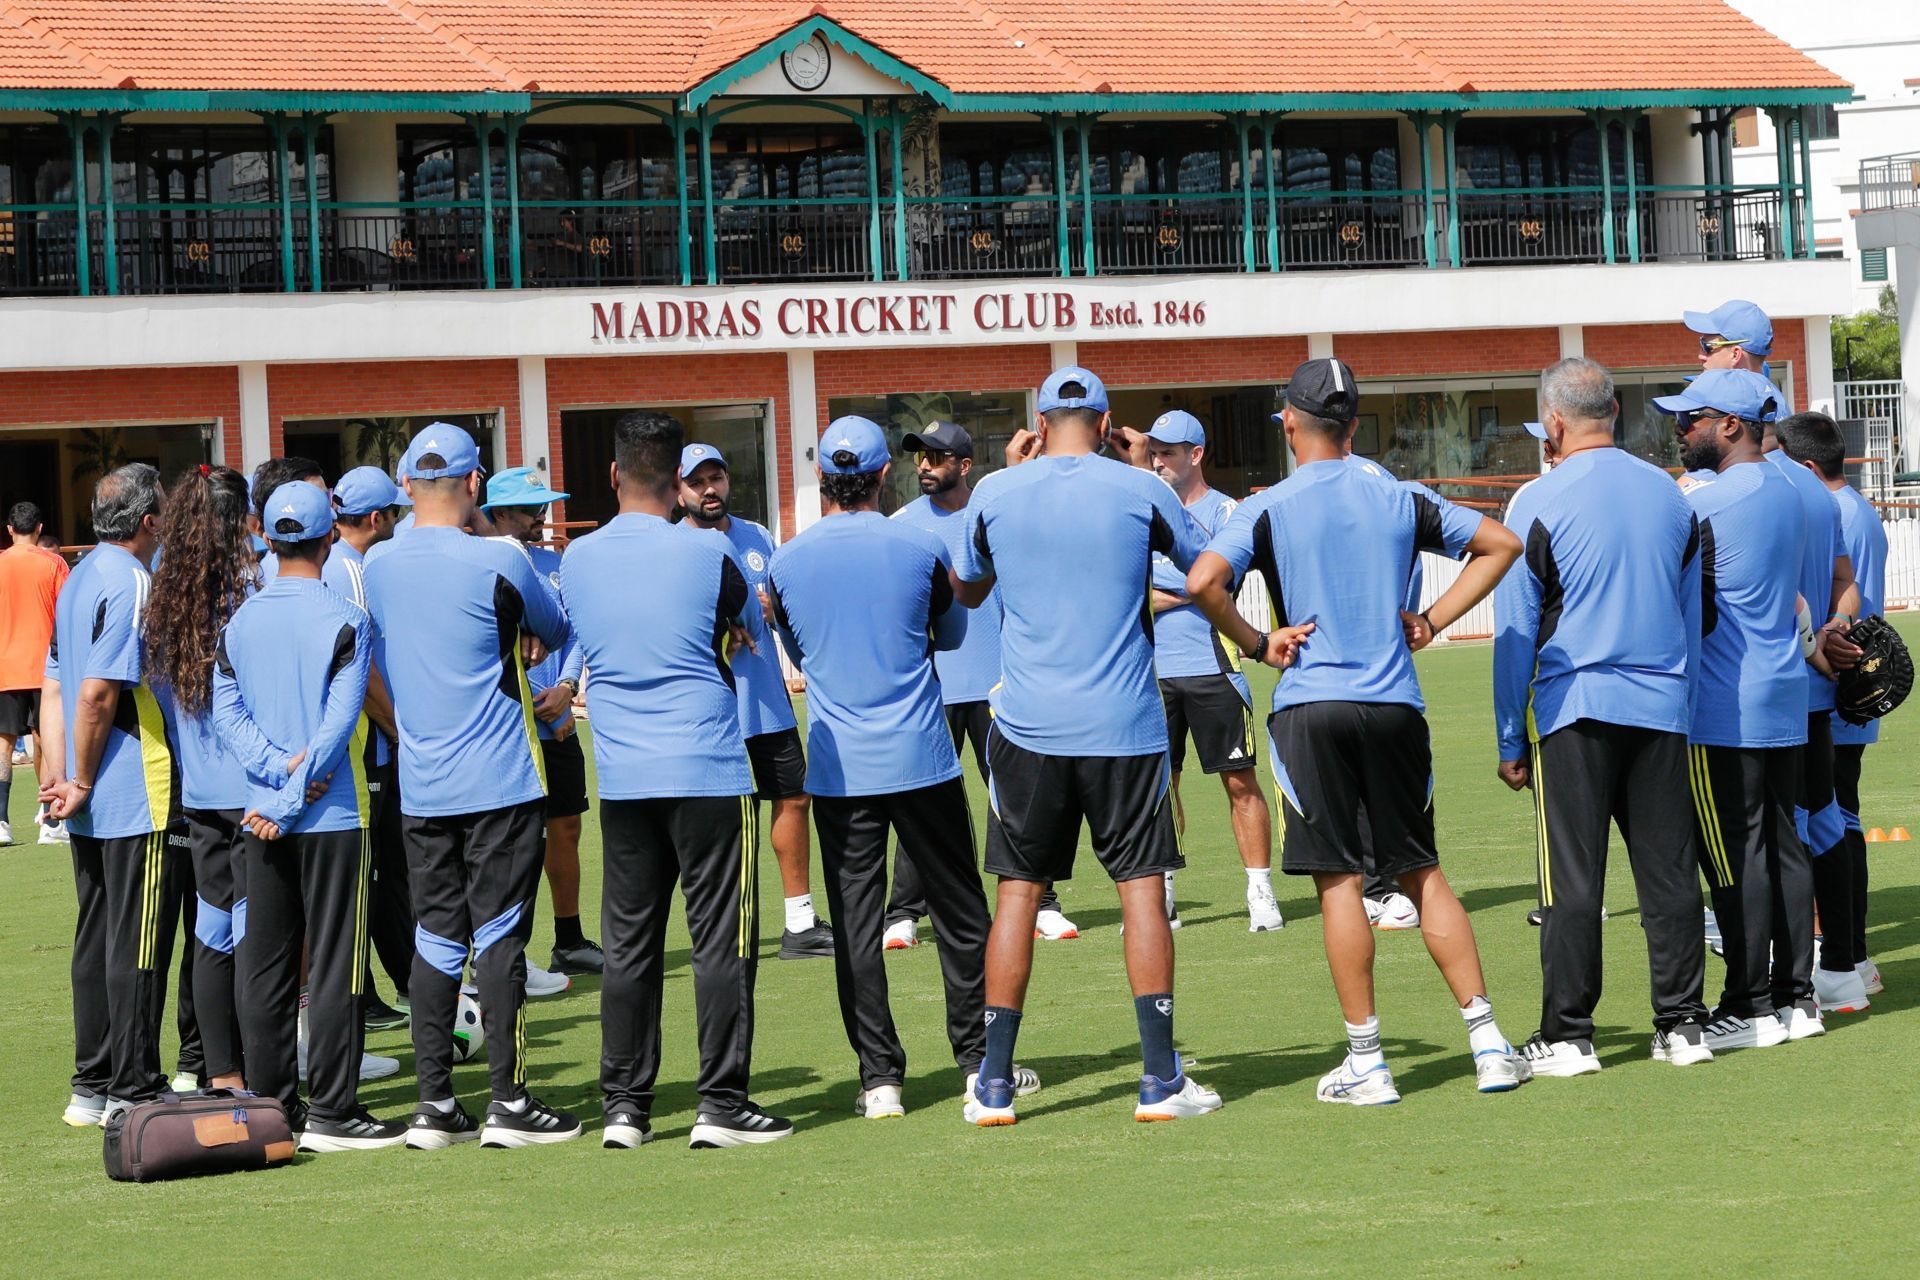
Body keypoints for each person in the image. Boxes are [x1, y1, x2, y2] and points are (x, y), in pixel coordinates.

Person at [1188, 357, 1530, 1105]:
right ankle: (1490, 1044)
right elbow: (1502, 544)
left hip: (1311, 708)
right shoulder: (1400, 494)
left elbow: (1201, 582)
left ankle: (1369, 1063)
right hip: (1394, 705)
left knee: (1339, 880)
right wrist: (1433, 621)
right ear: (1350, 425)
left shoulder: (1267, 505)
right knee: (1422, 872)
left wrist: (1256, 642)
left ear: (1289, 422)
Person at [953, 365, 1225, 1127]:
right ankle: (1158, 1078)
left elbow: (968, 587)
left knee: (1017, 894)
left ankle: (995, 1084)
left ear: (1037, 426)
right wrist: (1140, 476)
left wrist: (1011, 483)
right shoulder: (1141, 489)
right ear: (1107, 426)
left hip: (1028, 729)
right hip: (1125, 728)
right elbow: (1205, 567)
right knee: (1140, 889)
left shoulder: (996, 493)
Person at [768, 415, 1012, 1120]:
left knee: (855, 925)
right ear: (882, 476)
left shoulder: (788, 560)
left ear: (823, 479)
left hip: (841, 768)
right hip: (921, 755)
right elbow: (952, 631)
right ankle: (976, 1063)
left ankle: (880, 1079)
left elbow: (799, 648)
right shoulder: (918, 543)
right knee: (963, 915)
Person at [561, 410, 792, 1149]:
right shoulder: (707, 554)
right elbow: (739, 622)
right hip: (707, 770)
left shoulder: (577, 559)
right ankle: (720, 1103)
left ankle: (625, 1108)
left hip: (626, 777)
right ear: (675, 482)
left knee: (629, 947)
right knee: (720, 940)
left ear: (613, 474)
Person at [362, 424, 580, 1149]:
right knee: (499, 940)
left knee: (435, 939)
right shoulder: (501, 556)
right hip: (499, 779)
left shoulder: (382, 564)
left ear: (404, 488)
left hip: (421, 784)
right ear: (474, 483)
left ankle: (433, 1107)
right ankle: (509, 1103)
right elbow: (553, 625)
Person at [1491, 359, 1711, 1074]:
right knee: (1671, 874)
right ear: (1614, 409)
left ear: (1554, 422)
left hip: (1574, 708)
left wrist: (1508, 736)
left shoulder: (1533, 501)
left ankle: (1568, 1033)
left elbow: (1515, 633)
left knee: (1572, 880)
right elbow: (1691, 621)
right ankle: (1682, 1025)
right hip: (1662, 707)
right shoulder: (1674, 498)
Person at [212, 480, 405, 1151]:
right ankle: (334, 1111)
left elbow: (227, 715)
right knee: (335, 964)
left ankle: (270, 1110)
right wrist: (295, 791)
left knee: (263, 965)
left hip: (261, 814)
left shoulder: (238, 622)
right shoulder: (347, 619)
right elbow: (338, 725)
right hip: (331, 816)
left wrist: (272, 785)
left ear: (266, 536)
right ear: (329, 538)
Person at [1663, 368, 1817, 1053]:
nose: (1679, 429)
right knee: (1783, 844)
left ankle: (1748, 1003)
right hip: (1781, 689)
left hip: (1723, 701)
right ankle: (1796, 996)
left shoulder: (1710, 501)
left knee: (1733, 855)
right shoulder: (1790, 488)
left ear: (1730, 424)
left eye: (1690, 418)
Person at [886, 420, 1076, 946]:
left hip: (1000, 688)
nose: (924, 465)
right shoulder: (901, 525)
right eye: (919, 457)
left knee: (1017, 801)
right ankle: (903, 913)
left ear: (965, 466)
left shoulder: (1000, 511)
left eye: (936, 457)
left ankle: (1043, 902)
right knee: (920, 802)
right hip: (932, 690)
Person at [38, 464, 173, 1125]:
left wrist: (58, 778)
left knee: (96, 936)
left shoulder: (79, 574)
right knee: (136, 941)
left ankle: (91, 1085)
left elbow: (56, 685)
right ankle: (134, 1084)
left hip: (86, 788)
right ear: (149, 521)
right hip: (132, 788)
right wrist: (83, 778)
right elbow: (97, 691)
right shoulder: (132, 580)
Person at [678, 443, 835, 960]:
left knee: (793, 798)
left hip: (766, 699)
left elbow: (779, 605)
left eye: (716, 477)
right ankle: (725, 931)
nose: (709, 490)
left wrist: (771, 609)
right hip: (710, 711)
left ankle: (799, 922)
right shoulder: (672, 546)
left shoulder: (758, 536)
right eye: (697, 481)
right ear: (678, 490)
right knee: (721, 819)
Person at [1135, 410, 1279, 933]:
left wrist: (1182, 588)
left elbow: (1220, 585)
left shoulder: (1229, 513)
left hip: (1216, 669)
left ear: (1196, 455)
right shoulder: (1142, 510)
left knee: (1240, 783)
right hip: (1149, 676)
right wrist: (1190, 587)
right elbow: (1138, 594)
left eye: (1169, 452)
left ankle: (1260, 890)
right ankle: (1163, 895)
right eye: (1154, 451)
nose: (1158, 461)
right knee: (1156, 786)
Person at [143, 465, 259, 1094]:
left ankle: (223, 1075)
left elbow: (161, 692)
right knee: (255, 934)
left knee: (211, 934)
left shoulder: (166, 595)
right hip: (254, 789)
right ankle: (264, 1075)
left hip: (201, 792)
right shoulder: (250, 589)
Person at [1777, 412, 1886, 1001]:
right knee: (1836, 818)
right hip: (1840, 682)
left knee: (1832, 821)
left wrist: (1831, 641)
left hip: (1835, 683)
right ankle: (1847, 954)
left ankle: (1849, 954)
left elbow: (1846, 611)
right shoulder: (1849, 509)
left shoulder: (1834, 511)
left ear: (1806, 467)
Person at [482, 466, 605, 977]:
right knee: (514, 841)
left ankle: (569, 939)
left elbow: (575, 631)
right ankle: (508, 952)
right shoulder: (485, 563)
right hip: (512, 724)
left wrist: (567, 689)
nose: (542, 517)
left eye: (544, 506)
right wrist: (538, 698)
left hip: (558, 717)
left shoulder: (556, 563)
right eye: (532, 509)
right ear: (498, 513)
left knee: (567, 826)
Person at [1762, 409, 1865, 1023]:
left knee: (1781, 836)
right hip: (1815, 697)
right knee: (1826, 825)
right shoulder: (1822, 496)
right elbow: (1843, 583)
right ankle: (1841, 970)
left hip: (1772, 698)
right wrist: (1835, 628)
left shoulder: (1751, 492)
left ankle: (1790, 989)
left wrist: (1811, 639)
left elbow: (1776, 596)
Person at [325, 465, 413, 1029]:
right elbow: (361, 670)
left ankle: (384, 990)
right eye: (396, 515)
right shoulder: (353, 571)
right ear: (377, 519)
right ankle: (378, 993)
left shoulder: (336, 564)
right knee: (375, 875)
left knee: (379, 874)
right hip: (366, 749)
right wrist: (396, 728)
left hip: (358, 746)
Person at [1, 500, 68, 846]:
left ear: (9, 530)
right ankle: (50, 823)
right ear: (40, 528)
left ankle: (0, 821)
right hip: (46, 668)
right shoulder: (54, 563)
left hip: (5, 667)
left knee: (2, 743)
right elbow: (67, 614)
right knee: (47, 740)